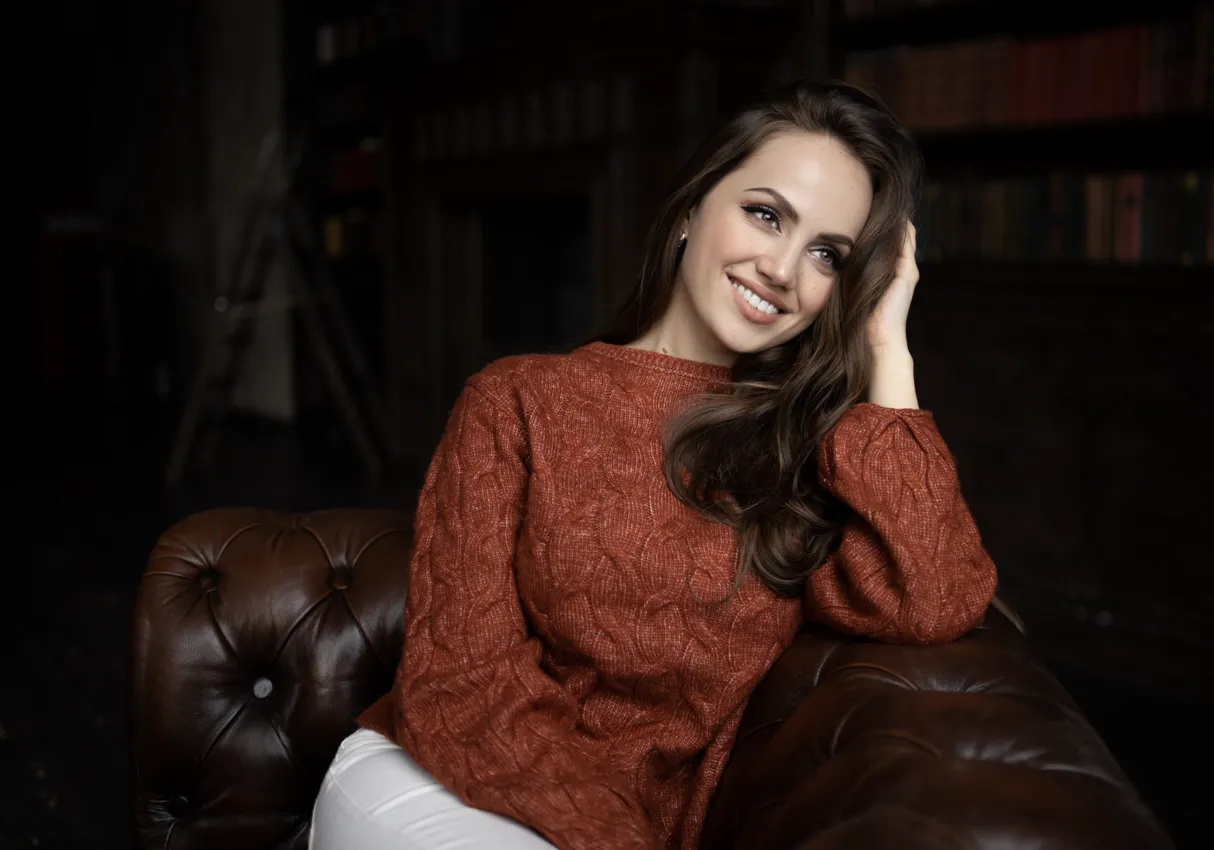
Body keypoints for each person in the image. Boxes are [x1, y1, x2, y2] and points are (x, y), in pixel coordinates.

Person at [310, 78, 998, 850]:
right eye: (765, 214)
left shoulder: (807, 450)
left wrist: (886, 346)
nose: (781, 268)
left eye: (827, 256)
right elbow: (462, 685)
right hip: (435, 780)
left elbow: (932, 597)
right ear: (693, 208)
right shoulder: (517, 399)